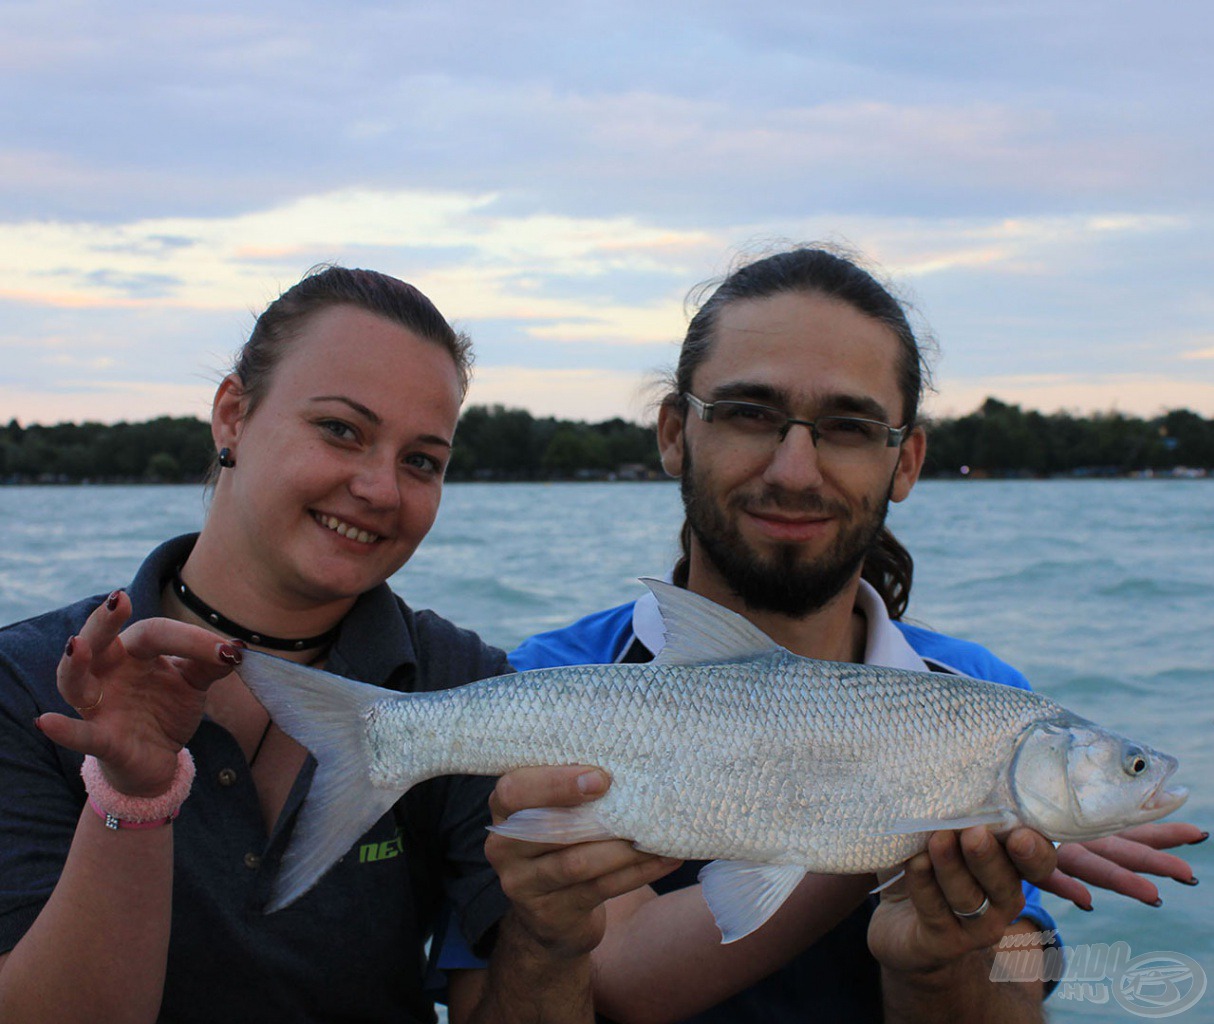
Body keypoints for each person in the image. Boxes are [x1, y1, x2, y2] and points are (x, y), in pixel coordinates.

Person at [502, 245, 1204, 1023]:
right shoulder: (539, 684)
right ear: (674, 432)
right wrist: (906, 819)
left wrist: (944, 959)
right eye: (748, 414)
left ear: (907, 461)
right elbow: (615, 981)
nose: (795, 470)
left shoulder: (985, 696)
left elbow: (1018, 973)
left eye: (849, 426)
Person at [0, 266, 675, 1023]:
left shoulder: (461, 683)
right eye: (341, 431)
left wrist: (551, 940)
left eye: (422, 461)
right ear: (232, 416)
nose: (381, 489)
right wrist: (131, 799)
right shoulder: (25, 682)